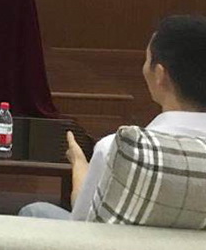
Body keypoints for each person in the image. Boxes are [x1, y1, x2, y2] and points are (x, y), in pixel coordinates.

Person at [20, 15, 206, 221]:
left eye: (147, 59)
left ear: (161, 75)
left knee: (34, 211)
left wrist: (79, 164)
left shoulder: (118, 149)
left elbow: (83, 221)